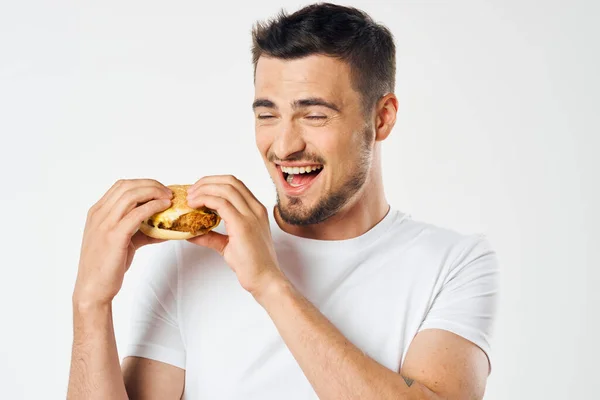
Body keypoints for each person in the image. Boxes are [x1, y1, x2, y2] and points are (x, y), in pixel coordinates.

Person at [67, 3, 499, 399]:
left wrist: (269, 284)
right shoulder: (191, 258)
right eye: (267, 114)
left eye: (314, 115)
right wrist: (89, 304)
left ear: (381, 117)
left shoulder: (455, 264)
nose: (284, 145)